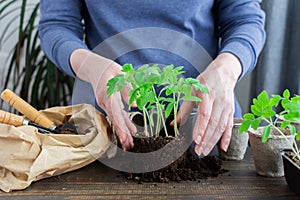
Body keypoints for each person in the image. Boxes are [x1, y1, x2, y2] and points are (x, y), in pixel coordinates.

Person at [38, 0, 266, 156]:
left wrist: (226, 69)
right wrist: (90, 65)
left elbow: (245, 21)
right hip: (111, 132)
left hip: (203, 125)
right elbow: (58, 25)